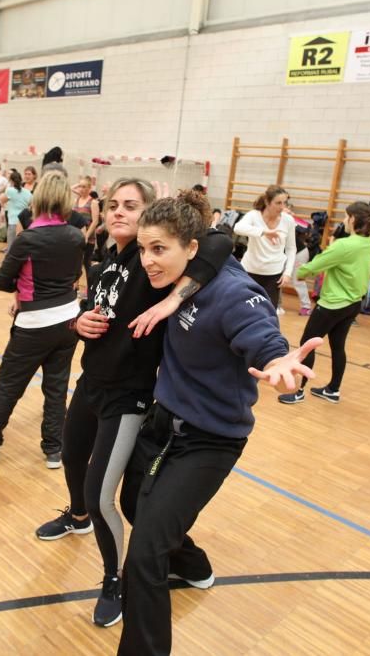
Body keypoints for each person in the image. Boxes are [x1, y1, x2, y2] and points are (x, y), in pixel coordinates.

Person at [115, 192, 320, 656]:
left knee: (145, 555)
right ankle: (191, 562)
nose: (148, 260)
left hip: (209, 441)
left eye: (158, 249)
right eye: (144, 249)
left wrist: (279, 366)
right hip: (162, 422)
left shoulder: (234, 293)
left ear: (192, 246)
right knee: (133, 502)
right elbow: (215, 243)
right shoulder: (183, 272)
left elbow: (262, 337)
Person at [34, 180, 233, 628]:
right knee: (70, 458)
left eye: (131, 206)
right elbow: (96, 308)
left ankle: (114, 579)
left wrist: (171, 304)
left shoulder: (154, 264)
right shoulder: (111, 259)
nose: (118, 212)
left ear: (150, 218)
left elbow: (220, 243)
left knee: (101, 494)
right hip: (92, 384)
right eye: (113, 205)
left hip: (128, 396)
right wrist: (78, 321)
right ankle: (77, 518)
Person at [0, 171, 84, 466]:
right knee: (57, 386)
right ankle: (54, 449)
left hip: (35, 323)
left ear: (38, 198)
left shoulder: (29, 238)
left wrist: (25, 289)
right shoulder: (76, 236)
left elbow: (1, 281)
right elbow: (75, 275)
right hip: (68, 321)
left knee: (9, 383)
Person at [278, 201, 370, 405]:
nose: (343, 220)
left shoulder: (343, 245)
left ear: (353, 220)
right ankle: (333, 390)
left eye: (345, 216)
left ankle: (299, 391)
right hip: (353, 304)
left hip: (333, 304)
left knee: (307, 345)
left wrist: (302, 273)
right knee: (338, 346)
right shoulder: (368, 242)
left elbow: (315, 265)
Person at [233, 185, 297, 314]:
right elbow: (237, 228)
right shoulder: (254, 215)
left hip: (273, 275)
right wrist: (263, 232)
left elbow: (291, 249)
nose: (282, 207)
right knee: (242, 311)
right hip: (249, 271)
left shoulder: (288, 220)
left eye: (285, 203)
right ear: (267, 202)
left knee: (267, 313)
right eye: (278, 203)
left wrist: (288, 272)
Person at [70, 175, 102, 286]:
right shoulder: (76, 200)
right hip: (76, 235)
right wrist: (79, 184)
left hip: (88, 238)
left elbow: (95, 221)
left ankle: (90, 288)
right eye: (80, 186)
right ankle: (76, 286)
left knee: (86, 262)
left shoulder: (93, 202)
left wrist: (86, 235)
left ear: (89, 188)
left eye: (84, 187)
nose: (81, 189)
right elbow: (70, 188)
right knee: (76, 262)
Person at [0, 170, 32, 250]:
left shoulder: (10, 190)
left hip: (13, 222)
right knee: (21, 247)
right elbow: (32, 204)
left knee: (10, 247)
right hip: (25, 223)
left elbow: (2, 200)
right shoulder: (28, 192)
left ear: (11, 180)